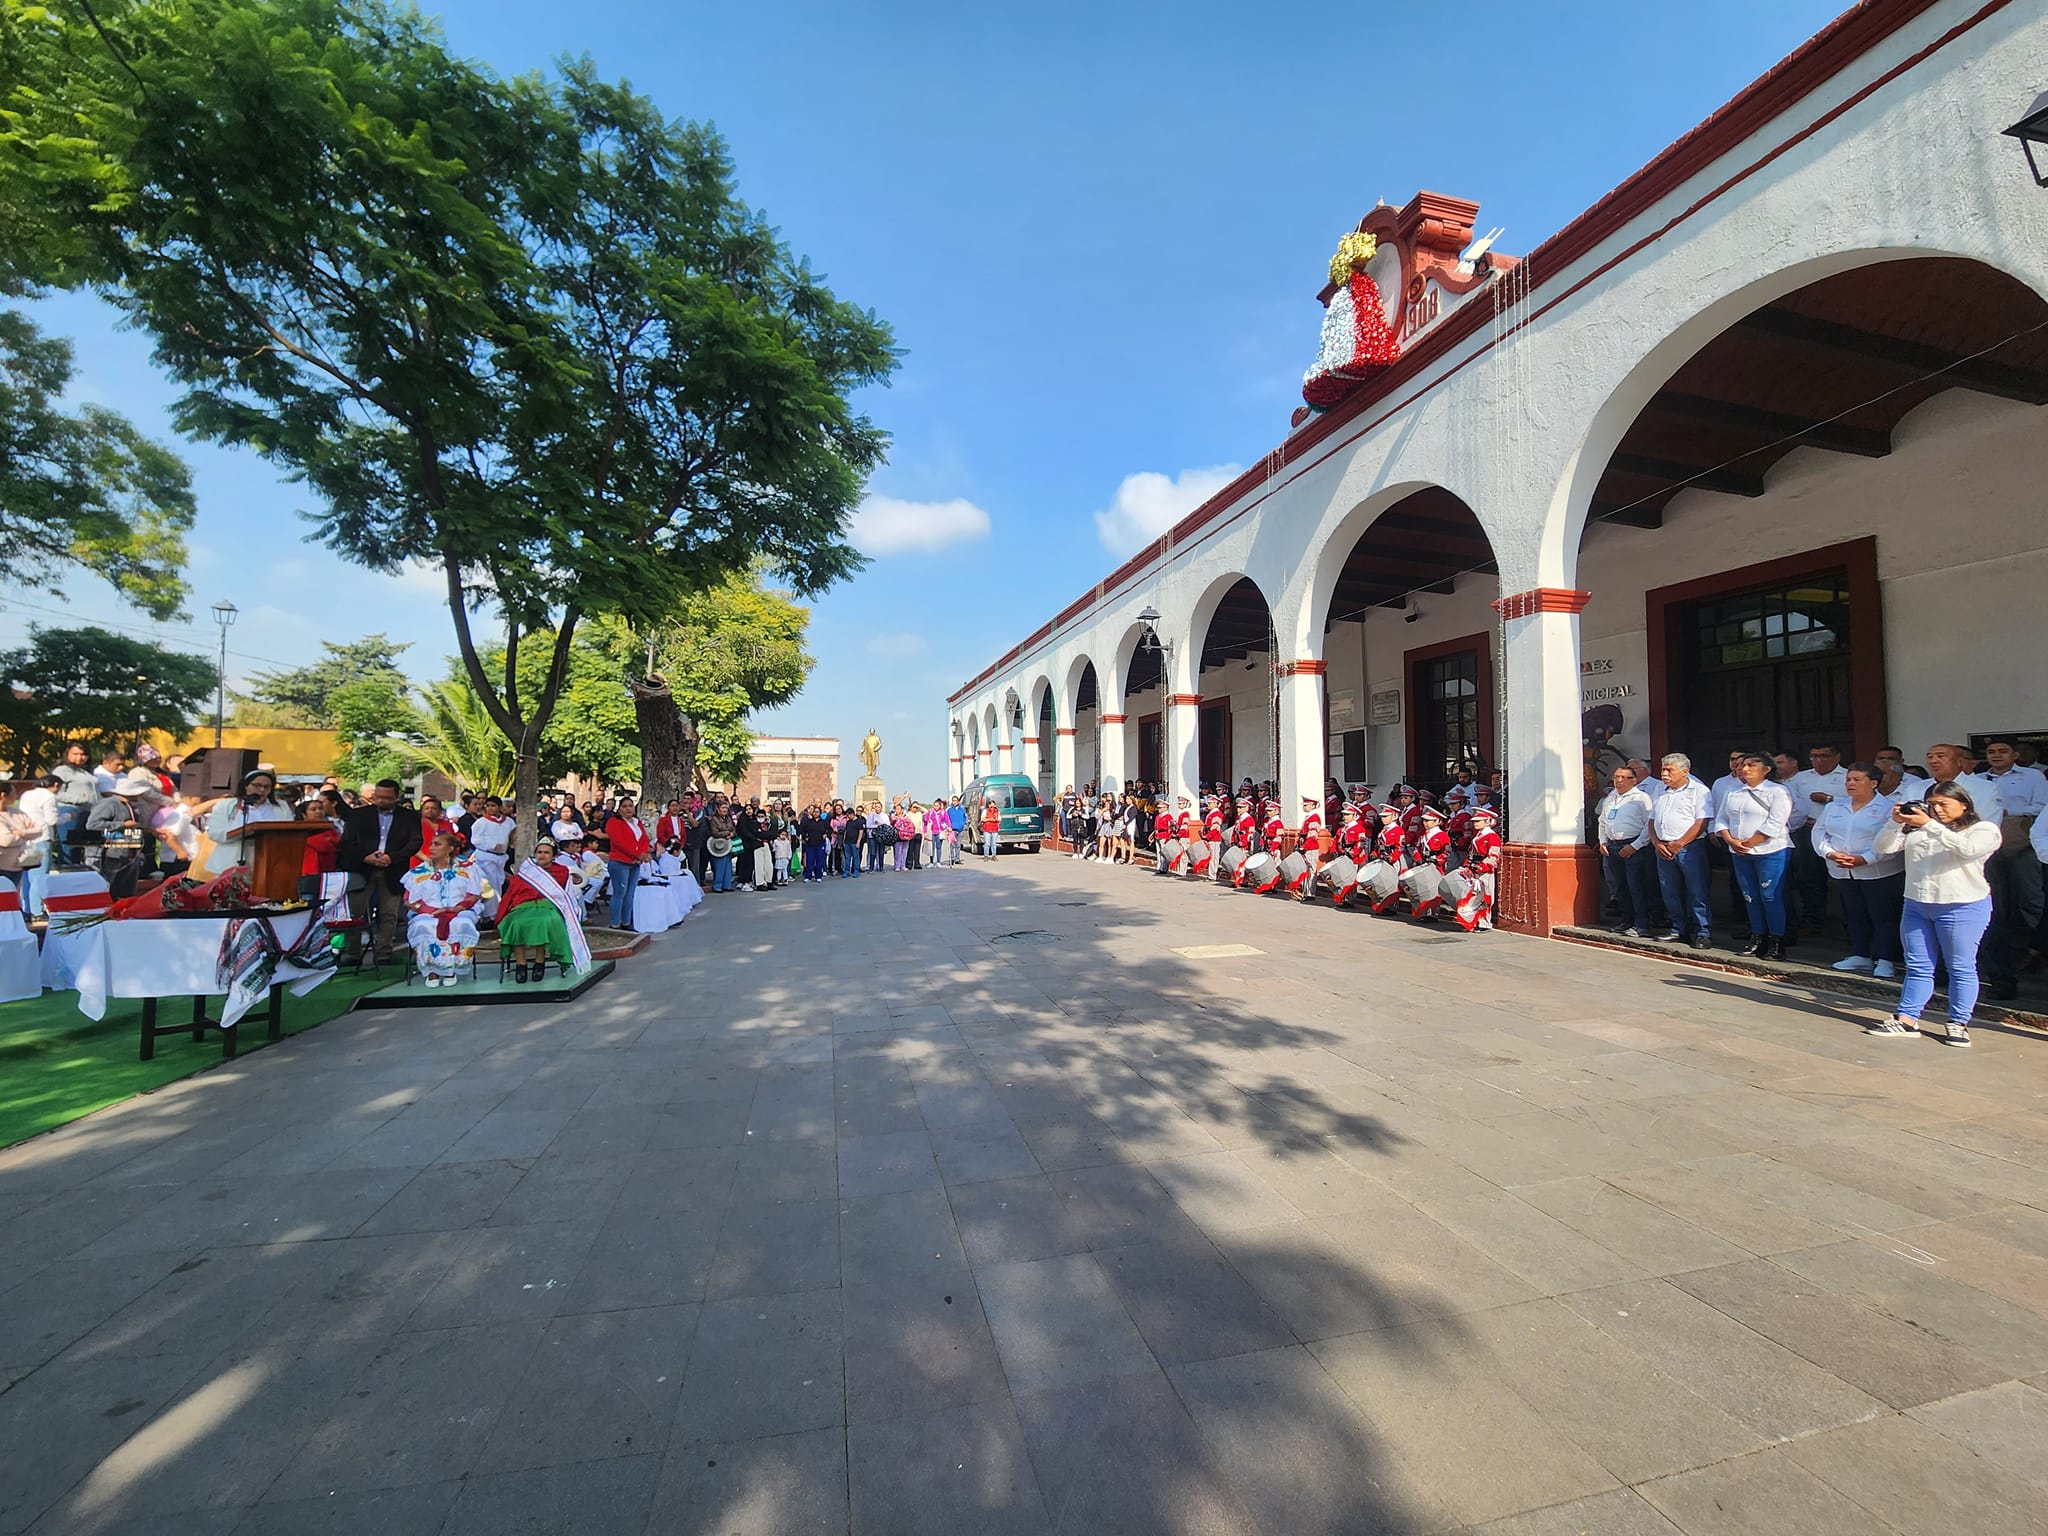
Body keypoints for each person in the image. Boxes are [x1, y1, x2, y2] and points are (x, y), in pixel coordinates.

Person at [1865, 782, 2001, 1045]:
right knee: (1917, 965)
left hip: (1962, 905)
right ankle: (1906, 1018)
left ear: (1964, 804)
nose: (1937, 810)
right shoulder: (1920, 830)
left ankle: (1959, 1021)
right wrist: (1894, 823)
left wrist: (1929, 824)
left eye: (1943, 804)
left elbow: (1967, 850)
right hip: (1917, 903)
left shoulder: (1983, 829)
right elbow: (1882, 848)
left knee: (1960, 966)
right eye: (1932, 804)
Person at [1812, 762, 1904, 980]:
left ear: (1873, 783)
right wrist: (1830, 853)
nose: (1850, 783)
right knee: (1855, 914)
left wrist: (1865, 859)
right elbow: (1819, 832)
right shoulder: (1835, 806)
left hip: (1879, 872)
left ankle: (1886, 959)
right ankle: (1861, 954)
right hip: (1843, 870)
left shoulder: (1887, 808)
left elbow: (1894, 840)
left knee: (1883, 916)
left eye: (1857, 779)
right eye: (1848, 780)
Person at [1978, 736, 2046, 1002]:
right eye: (1991, 751)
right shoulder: (1980, 780)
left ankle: (2026, 945)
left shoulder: (2033, 777)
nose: (1996, 755)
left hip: (2021, 836)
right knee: (1996, 902)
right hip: (1987, 841)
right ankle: (2006, 954)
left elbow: (2042, 805)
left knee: (2030, 898)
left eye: (2002, 751)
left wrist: (2012, 814)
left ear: (2014, 755)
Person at [337, 779, 426, 964]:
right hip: (363, 869)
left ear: (396, 797)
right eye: (378, 797)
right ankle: (353, 954)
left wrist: (392, 858)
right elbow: (347, 843)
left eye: (386, 798)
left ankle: (384, 953)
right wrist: (365, 856)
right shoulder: (358, 815)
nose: (381, 801)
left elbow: (414, 842)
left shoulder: (409, 817)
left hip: (392, 869)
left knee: (390, 913)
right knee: (356, 913)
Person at [1714, 754, 1794, 960]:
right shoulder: (1733, 791)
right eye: (1743, 766)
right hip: (1739, 852)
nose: (1745, 769)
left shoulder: (1777, 791)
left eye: (1751, 765)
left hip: (1770, 851)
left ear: (1766, 769)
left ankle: (1776, 941)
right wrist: (1731, 841)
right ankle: (1758, 937)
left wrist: (1750, 842)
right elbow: (1721, 819)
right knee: (1750, 896)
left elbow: (1776, 822)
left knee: (1770, 896)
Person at [495, 839, 591, 983]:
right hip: (523, 906)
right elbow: (512, 893)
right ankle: (521, 963)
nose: (542, 855)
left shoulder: (561, 872)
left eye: (546, 853)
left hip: (549, 906)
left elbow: (566, 896)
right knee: (515, 922)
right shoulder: (526, 871)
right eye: (539, 852)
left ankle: (539, 962)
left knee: (544, 922)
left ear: (553, 856)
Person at [1648, 753, 1714, 949]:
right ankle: (1678, 928)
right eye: (1663, 770)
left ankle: (1702, 931)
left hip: (1689, 847)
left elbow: (1701, 821)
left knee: (1696, 890)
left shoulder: (1699, 791)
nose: (1665, 774)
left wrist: (1681, 842)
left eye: (1670, 770)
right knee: (1670, 890)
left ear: (1685, 772)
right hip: (1662, 846)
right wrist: (1656, 842)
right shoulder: (1660, 790)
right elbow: (1652, 819)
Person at [401, 832, 483, 987]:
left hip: (459, 910)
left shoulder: (468, 868)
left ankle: (451, 968)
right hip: (427, 912)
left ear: (450, 848)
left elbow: (475, 895)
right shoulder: (419, 871)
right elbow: (408, 900)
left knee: (462, 923)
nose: (431, 848)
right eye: (431, 844)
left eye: (437, 844)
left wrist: (455, 908)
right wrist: (427, 910)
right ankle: (432, 970)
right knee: (422, 925)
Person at [1787, 744, 1847, 934]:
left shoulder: (1847, 776)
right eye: (1814, 756)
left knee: (1844, 879)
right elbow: (1791, 803)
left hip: (1839, 833)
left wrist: (1830, 799)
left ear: (1836, 757)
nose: (1818, 760)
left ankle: (1849, 923)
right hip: (1808, 832)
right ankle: (1813, 920)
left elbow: (1856, 801)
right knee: (1809, 878)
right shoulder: (1802, 778)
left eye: (1824, 756)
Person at [197, 767, 295, 879]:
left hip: (269, 865)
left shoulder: (281, 807)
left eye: (266, 787)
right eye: (257, 785)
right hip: (231, 865)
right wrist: (243, 831)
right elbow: (214, 833)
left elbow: (289, 832)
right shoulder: (226, 806)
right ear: (246, 786)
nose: (262, 790)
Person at [1595, 766, 1656, 936]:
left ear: (1634, 780)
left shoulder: (1642, 798)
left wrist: (1634, 846)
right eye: (1616, 777)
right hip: (1612, 845)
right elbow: (1602, 822)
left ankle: (1641, 924)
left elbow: (1648, 826)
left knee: (1636, 885)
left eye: (1623, 777)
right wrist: (1603, 841)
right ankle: (1626, 920)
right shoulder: (1611, 798)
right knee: (1620, 886)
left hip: (1633, 845)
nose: (1618, 781)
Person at [50, 743, 98, 867]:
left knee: (81, 846)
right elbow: (55, 793)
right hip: (70, 811)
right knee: (69, 846)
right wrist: (78, 799)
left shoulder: (85, 772)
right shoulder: (62, 770)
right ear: (67, 754)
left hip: (88, 812)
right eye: (75, 754)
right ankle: (66, 872)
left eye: (83, 754)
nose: (80, 757)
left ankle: (77, 871)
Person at [606, 795, 654, 920]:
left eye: (630, 806)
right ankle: (615, 922)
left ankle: (626, 921)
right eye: (624, 806)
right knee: (619, 893)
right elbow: (619, 842)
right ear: (619, 809)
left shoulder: (637, 822)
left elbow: (644, 839)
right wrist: (637, 854)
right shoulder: (614, 822)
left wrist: (642, 854)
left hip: (635, 862)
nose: (628, 809)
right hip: (620, 861)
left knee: (630, 893)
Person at [980, 795, 1002, 859]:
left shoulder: (997, 811)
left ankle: (994, 855)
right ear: (989, 805)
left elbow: (999, 819)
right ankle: (986, 856)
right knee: (987, 843)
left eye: (993, 805)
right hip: (987, 828)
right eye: (991, 805)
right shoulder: (985, 811)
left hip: (995, 828)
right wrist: (989, 819)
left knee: (994, 844)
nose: (992, 807)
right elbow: (982, 819)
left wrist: (995, 819)